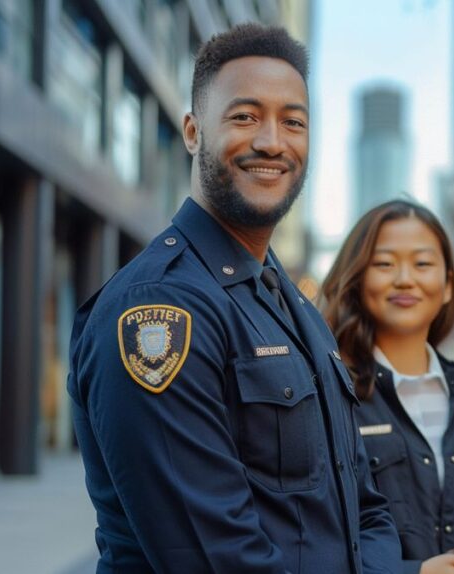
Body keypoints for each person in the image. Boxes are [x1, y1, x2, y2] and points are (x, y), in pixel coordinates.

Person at [67, 24, 400, 573]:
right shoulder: (159, 310)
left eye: (293, 122)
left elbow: (365, 511)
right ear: (193, 132)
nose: (273, 141)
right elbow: (213, 557)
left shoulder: (293, 308)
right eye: (245, 116)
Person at [319, 199, 454, 574]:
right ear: (357, 280)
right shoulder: (332, 393)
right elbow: (318, 538)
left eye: (422, 264)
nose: (405, 279)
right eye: (385, 264)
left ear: (448, 285)